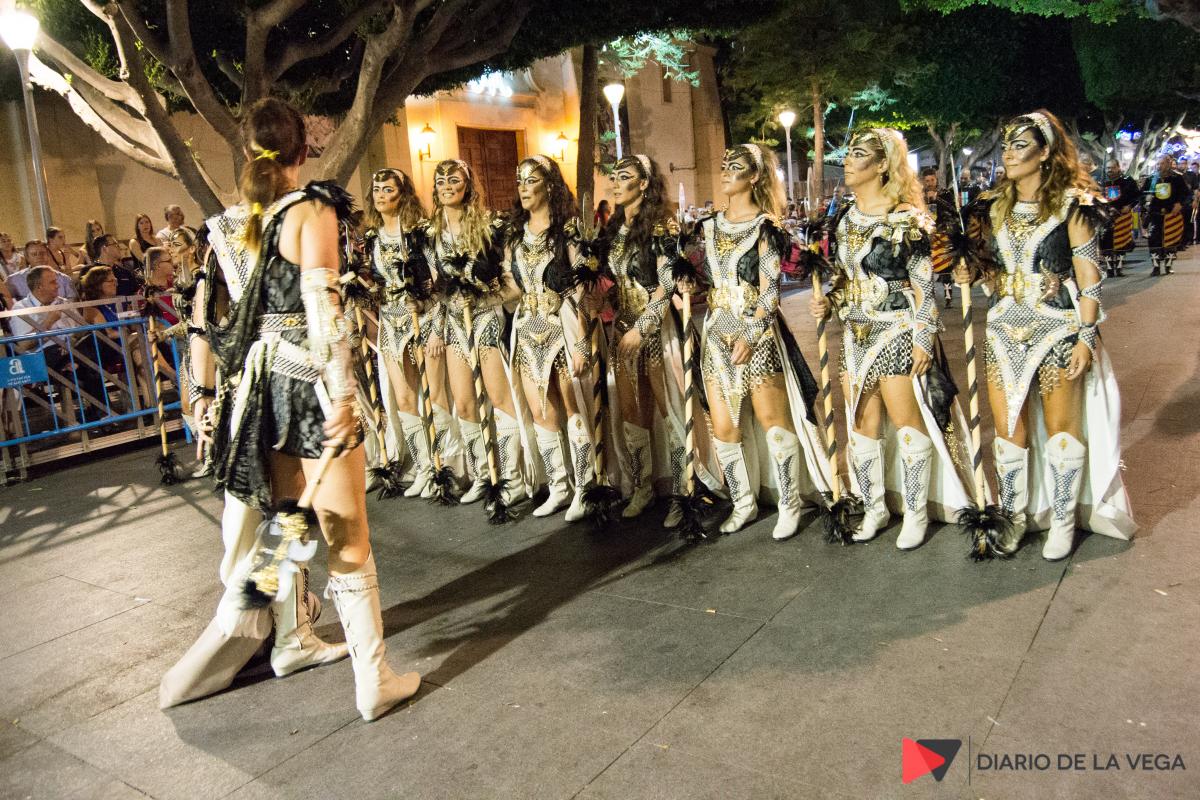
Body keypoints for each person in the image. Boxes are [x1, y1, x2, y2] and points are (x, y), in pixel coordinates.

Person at [172, 98, 418, 722]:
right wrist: (343, 397)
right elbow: (324, 316)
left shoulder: (229, 226)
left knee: (286, 522)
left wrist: (202, 398)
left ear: (245, 151)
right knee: (347, 534)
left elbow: (206, 322)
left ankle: (287, 639)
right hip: (309, 385)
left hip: (262, 394)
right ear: (303, 150)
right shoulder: (312, 210)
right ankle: (374, 680)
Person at [958, 109, 1135, 560]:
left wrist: (1087, 337)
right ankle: (1013, 517)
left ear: (1044, 153)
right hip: (1002, 330)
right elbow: (992, 269)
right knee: (1007, 429)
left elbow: (1089, 277)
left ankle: (1062, 521)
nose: (1008, 154)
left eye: (1020, 146)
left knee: (1062, 432)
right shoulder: (992, 207)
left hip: (1058, 329)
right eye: (1006, 146)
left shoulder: (1074, 205)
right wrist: (971, 273)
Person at [812, 129, 971, 549]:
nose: (847, 162)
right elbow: (845, 279)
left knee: (907, 424)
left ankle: (916, 513)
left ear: (883, 165)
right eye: (848, 154)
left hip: (897, 329)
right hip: (855, 334)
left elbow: (923, 286)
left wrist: (923, 338)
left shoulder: (906, 219)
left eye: (858, 154)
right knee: (861, 425)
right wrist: (829, 301)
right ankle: (874, 507)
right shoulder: (844, 219)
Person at [682, 143, 831, 539]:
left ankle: (789, 503)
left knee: (773, 423)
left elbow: (770, 292)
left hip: (759, 334)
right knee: (724, 427)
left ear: (754, 177)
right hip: (716, 334)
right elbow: (698, 278)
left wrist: (750, 333)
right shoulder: (706, 228)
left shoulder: (767, 228)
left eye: (735, 167)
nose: (725, 171)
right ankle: (743, 502)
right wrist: (683, 283)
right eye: (724, 165)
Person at [601, 154, 720, 525]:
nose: (615, 183)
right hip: (622, 327)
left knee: (670, 408)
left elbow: (666, 284)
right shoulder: (614, 229)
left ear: (643, 184)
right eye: (613, 177)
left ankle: (683, 491)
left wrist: (642, 328)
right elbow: (614, 280)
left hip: (656, 329)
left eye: (624, 177)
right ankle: (642, 486)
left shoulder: (662, 226)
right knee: (631, 411)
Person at [498, 155, 600, 521]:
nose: (523, 188)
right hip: (527, 329)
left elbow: (582, 288)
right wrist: (479, 290)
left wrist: (582, 341)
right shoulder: (515, 235)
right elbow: (512, 288)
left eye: (531, 180)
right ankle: (559, 487)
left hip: (562, 326)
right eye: (520, 181)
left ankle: (585, 487)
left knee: (572, 405)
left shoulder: (568, 231)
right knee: (541, 409)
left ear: (549, 185)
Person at [426, 159, 526, 507]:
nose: (447, 186)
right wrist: (437, 329)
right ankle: (484, 474)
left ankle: (511, 478)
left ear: (467, 185)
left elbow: (514, 281)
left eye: (454, 180)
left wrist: (487, 298)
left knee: (498, 397)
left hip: (485, 319)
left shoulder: (491, 227)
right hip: (454, 323)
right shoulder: (431, 234)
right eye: (441, 181)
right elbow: (437, 289)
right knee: (465, 402)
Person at [365, 166, 453, 498]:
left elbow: (441, 280)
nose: (381, 195)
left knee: (434, 395)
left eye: (388, 189)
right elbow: (378, 283)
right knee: (403, 397)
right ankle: (423, 466)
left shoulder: (420, 235)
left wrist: (436, 326)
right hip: (391, 323)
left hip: (426, 320)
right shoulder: (372, 238)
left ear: (403, 195)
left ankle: (445, 467)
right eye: (377, 190)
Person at [1141, 155, 1189, 275]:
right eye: (1158, 164)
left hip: (1171, 214)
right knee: (1154, 240)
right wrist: (1145, 200)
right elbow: (1141, 194)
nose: (1159, 166)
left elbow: (1186, 194)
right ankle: (1156, 267)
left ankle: (1168, 266)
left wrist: (1180, 203)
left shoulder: (1177, 178)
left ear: (1168, 164)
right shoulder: (1151, 179)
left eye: (1162, 163)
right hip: (1155, 214)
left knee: (1171, 240)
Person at [1099, 160, 1139, 277]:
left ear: (1118, 167)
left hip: (1123, 216)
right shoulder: (1102, 183)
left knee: (1121, 242)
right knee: (1106, 242)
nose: (1109, 170)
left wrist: (1130, 206)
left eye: (1112, 167)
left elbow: (1137, 196)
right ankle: (1109, 269)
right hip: (1107, 217)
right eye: (1107, 168)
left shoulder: (1128, 181)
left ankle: (1119, 268)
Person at [6, 240, 77, 301]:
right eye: (34, 254)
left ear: (48, 255)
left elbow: (73, 303)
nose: (39, 257)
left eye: (42, 253)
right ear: (27, 258)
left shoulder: (64, 279)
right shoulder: (13, 280)